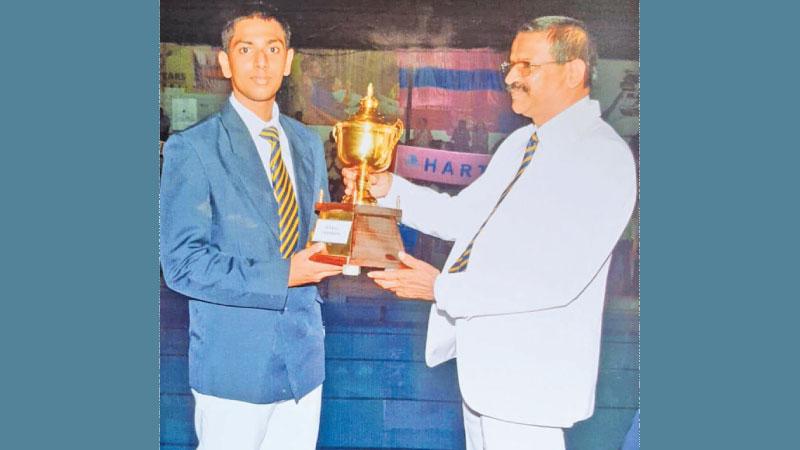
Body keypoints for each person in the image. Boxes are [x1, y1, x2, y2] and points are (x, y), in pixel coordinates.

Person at [344, 16, 637, 450]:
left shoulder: (601, 156)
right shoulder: (522, 145)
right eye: (510, 66)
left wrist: (440, 288)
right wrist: (389, 190)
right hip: (487, 371)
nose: (512, 77)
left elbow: (555, 281)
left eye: (527, 66)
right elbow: (463, 220)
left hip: (532, 380)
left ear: (573, 72)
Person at [159, 5, 342, 450]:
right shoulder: (193, 148)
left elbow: (318, 235)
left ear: (289, 59)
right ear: (225, 62)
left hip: (304, 364)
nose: (261, 62)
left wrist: (351, 223)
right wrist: (284, 275)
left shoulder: (307, 142)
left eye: (272, 48)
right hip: (234, 369)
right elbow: (181, 264)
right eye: (246, 49)